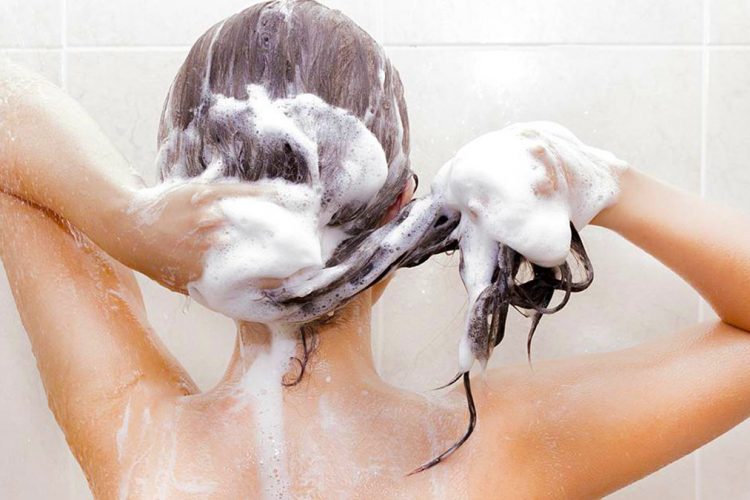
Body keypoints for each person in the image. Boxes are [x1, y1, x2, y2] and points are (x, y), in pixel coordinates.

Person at [2, 1, 750, 498]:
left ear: (185, 208)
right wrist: (605, 182)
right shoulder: (505, 451)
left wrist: (126, 217)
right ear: (402, 209)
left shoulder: (135, 436)